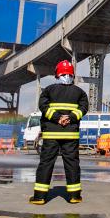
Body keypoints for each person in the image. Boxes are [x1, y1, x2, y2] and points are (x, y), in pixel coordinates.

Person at [30, 60, 88, 205]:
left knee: (46, 163)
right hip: (71, 135)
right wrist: (70, 118)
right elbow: (83, 109)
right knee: (72, 164)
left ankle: (39, 197)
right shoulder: (80, 92)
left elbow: (43, 106)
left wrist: (57, 118)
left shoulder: (48, 90)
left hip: (51, 134)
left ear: (57, 74)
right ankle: (74, 196)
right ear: (72, 74)